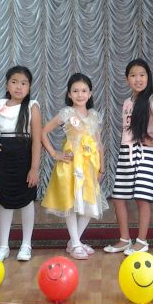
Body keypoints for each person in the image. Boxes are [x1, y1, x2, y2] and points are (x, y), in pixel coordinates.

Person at [104, 59, 153, 255]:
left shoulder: (152, 99)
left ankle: (142, 241)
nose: (138, 79)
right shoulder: (128, 102)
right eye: (133, 75)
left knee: (142, 198)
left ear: (148, 77)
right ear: (127, 79)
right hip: (127, 151)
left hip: (145, 154)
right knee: (119, 198)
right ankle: (125, 239)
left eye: (142, 75)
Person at [41, 73, 108, 260]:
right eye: (76, 91)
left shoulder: (94, 115)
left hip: (89, 165)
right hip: (71, 165)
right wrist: (55, 153)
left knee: (89, 203)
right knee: (70, 202)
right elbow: (44, 131)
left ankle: (74, 241)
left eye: (84, 91)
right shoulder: (67, 113)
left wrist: (102, 167)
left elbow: (99, 143)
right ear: (69, 94)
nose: (80, 94)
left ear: (90, 93)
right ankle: (76, 243)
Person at [0, 66, 42, 262]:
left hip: (25, 158)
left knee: (27, 201)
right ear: (7, 84)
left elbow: (37, 140)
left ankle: (26, 244)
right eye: (14, 82)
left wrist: (34, 168)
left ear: (29, 87)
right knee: (5, 201)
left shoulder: (32, 106)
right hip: (6, 160)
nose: (19, 87)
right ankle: (3, 246)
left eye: (24, 83)